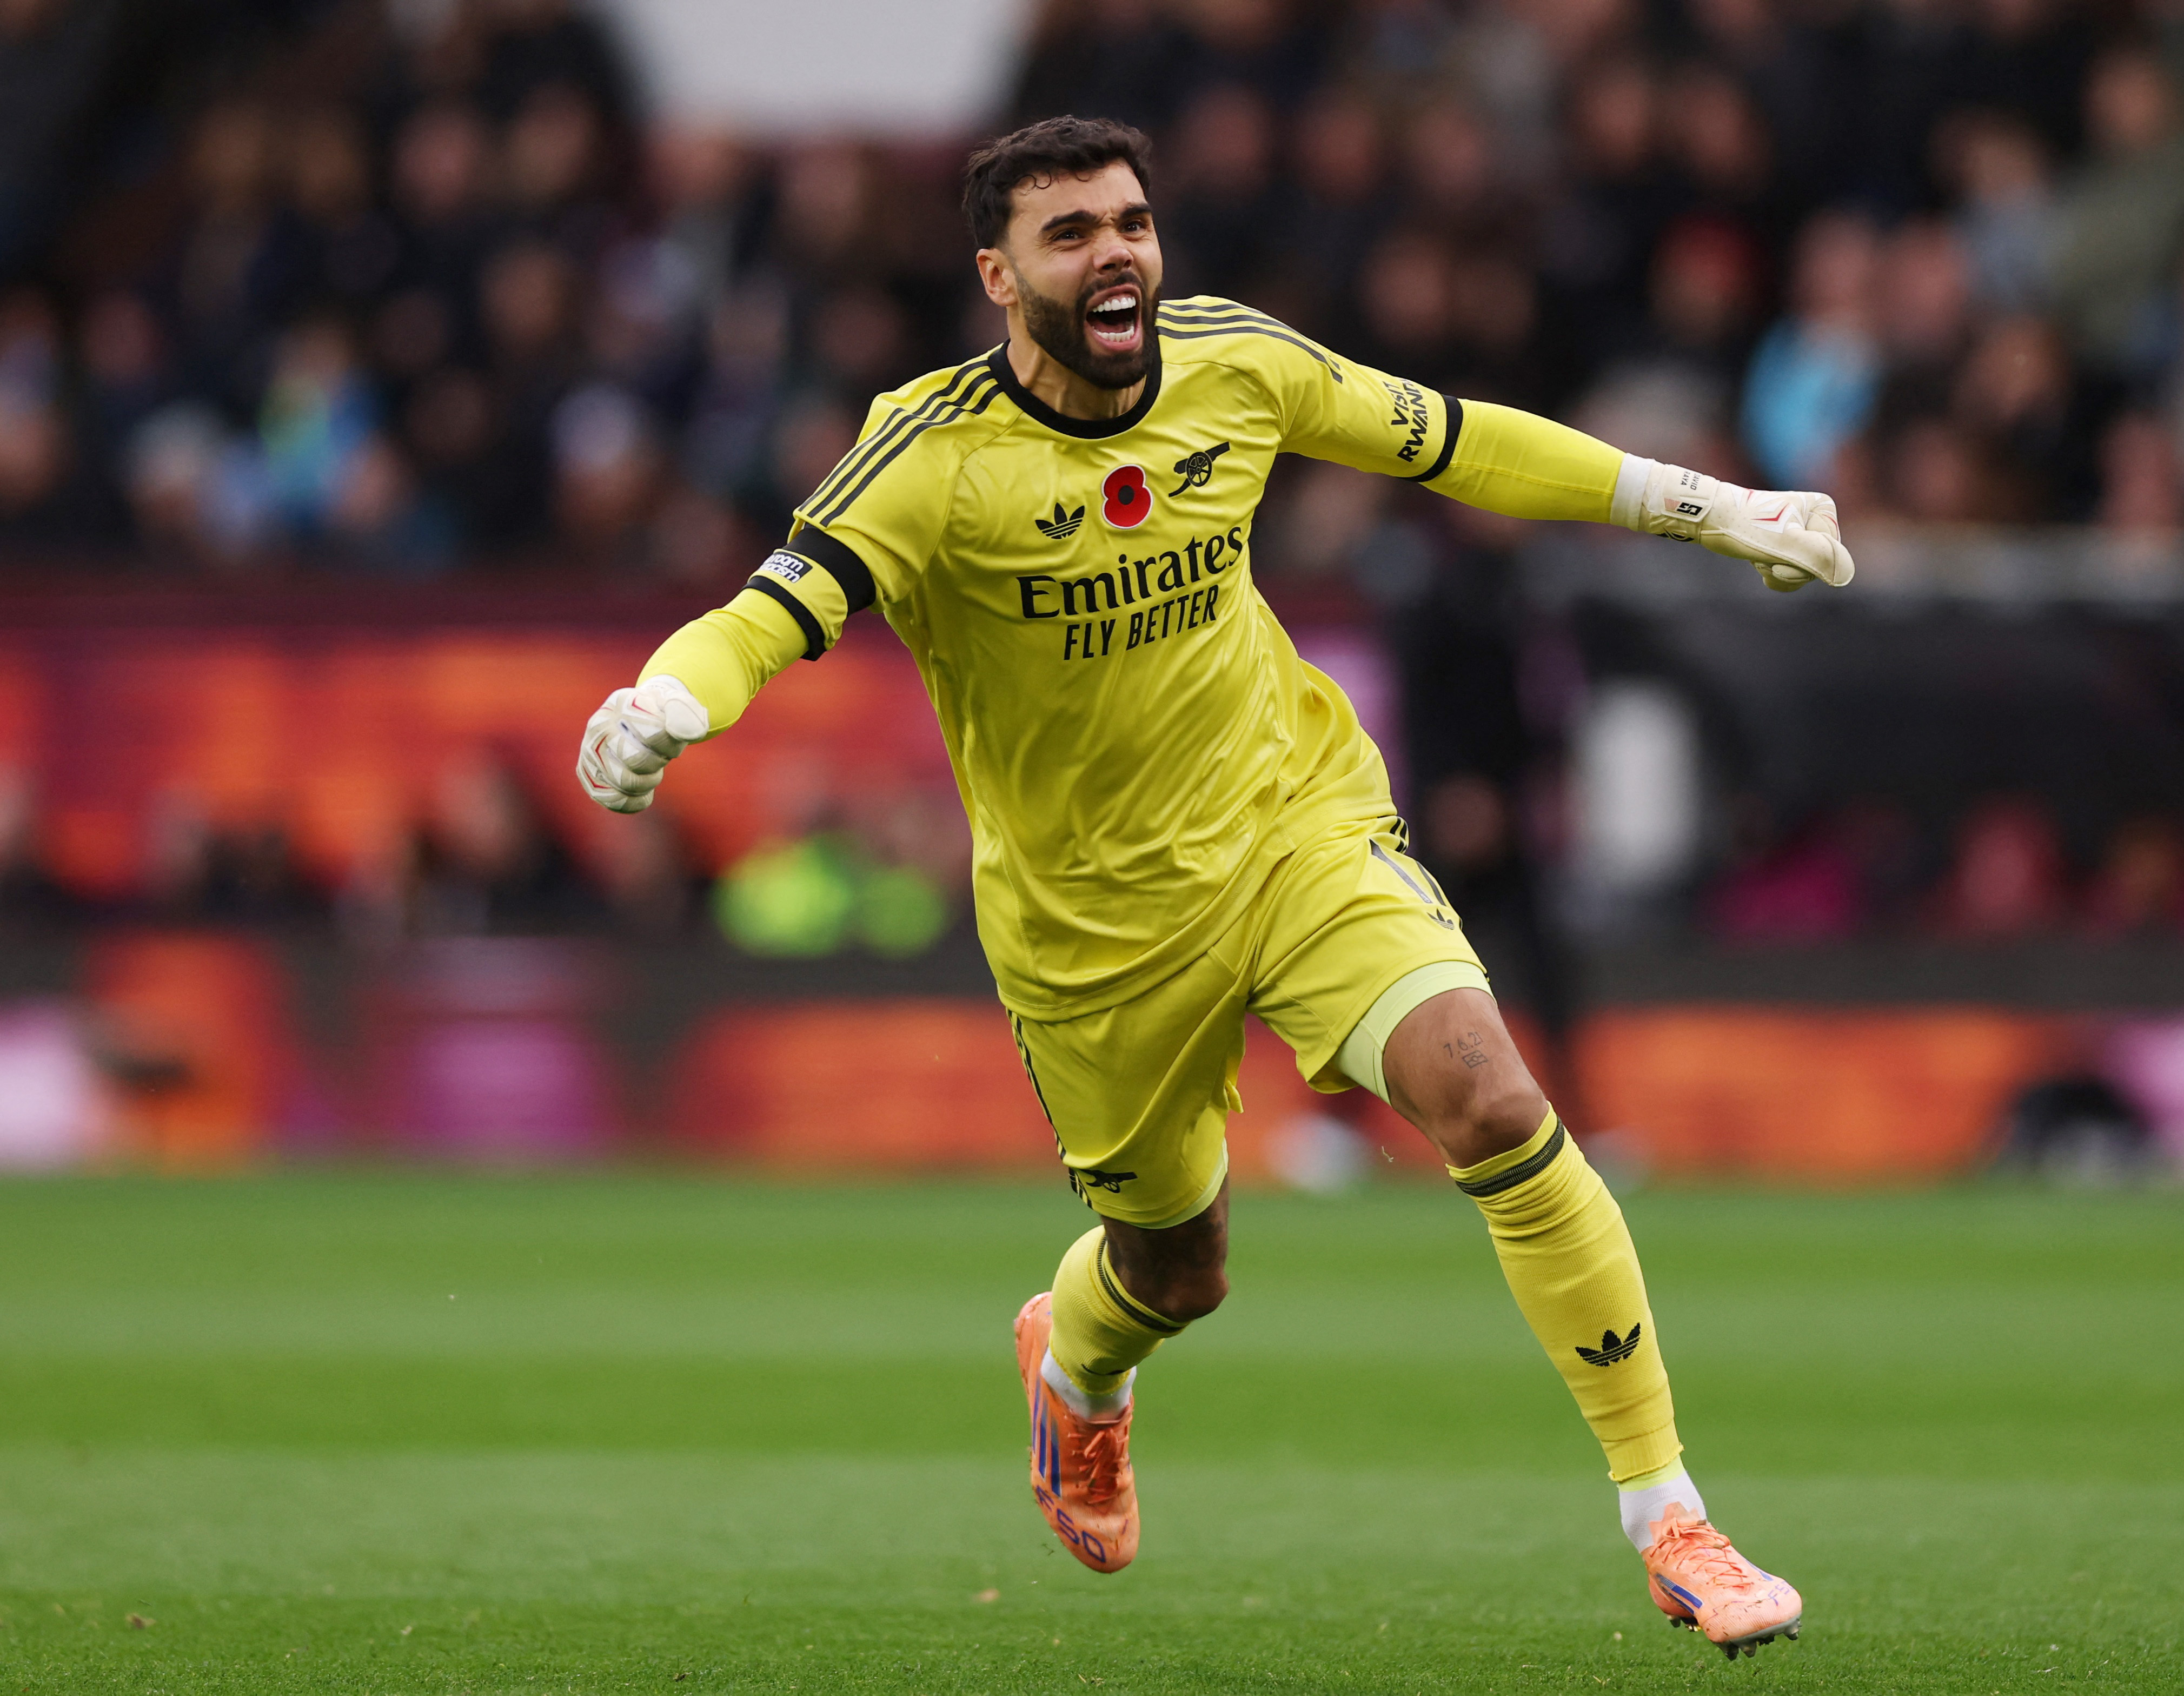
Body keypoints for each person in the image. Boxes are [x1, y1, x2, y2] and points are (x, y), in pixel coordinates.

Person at [575, 116, 1849, 1660]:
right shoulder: (930, 458)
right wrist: (669, 702)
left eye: (1131, 222)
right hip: (1092, 934)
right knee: (1179, 1268)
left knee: (1493, 1100)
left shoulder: (1234, 363)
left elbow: (1457, 439)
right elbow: (772, 611)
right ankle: (1079, 1372)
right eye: (1069, 234)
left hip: (1293, 832)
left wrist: (1711, 506)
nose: (1114, 252)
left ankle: (1671, 1518)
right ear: (999, 277)